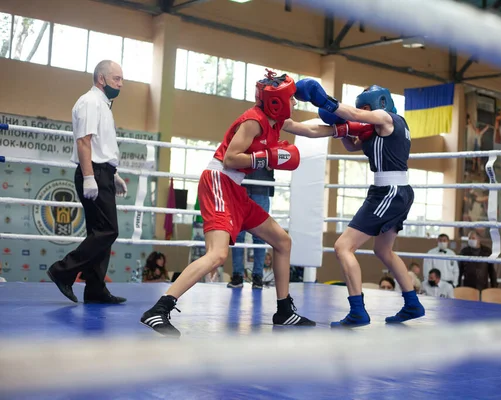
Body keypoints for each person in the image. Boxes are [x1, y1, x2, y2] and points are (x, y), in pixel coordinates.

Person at [140, 71, 341, 337]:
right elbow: (231, 159)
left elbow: (310, 129)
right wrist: (266, 157)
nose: (295, 103)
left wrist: (344, 127)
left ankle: (284, 310)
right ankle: (159, 309)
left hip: (235, 188)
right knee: (217, 255)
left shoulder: (276, 120)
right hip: (219, 181)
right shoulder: (253, 121)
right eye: (291, 99)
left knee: (283, 242)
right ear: (277, 101)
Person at [294, 79, 425, 327]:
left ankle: (357, 311)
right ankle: (412, 304)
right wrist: (285, 123)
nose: (362, 114)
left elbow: (353, 113)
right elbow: (323, 134)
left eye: (364, 109)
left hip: (389, 191)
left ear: (377, 104)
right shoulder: (371, 130)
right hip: (395, 191)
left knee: (343, 246)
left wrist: (324, 101)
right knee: (383, 250)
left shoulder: (388, 119)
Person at [47, 60, 127, 304]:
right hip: (94, 173)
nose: (121, 85)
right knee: (108, 230)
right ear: (101, 79)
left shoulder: (103, 104)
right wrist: (91, 177)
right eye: (116, 79)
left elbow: (98, 145)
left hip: (102, 173)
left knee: (98, 231)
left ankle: (94, 288)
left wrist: (112, 174)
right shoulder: (90, 102)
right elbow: (84, 141)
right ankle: (62, 271)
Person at [228, 168, 274, 289]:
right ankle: (237, 275)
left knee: (260, 235)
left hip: (261, 185)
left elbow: (277, 158)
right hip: (240, 183)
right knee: (238, 234)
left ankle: (258, 276)